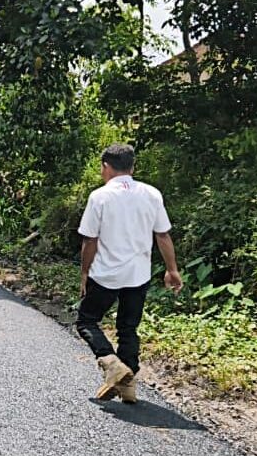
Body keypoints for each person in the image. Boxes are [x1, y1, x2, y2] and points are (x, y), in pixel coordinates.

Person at [76, 143, 183, 403]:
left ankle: (112, 364)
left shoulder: (99, 196)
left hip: (105, 275)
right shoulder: (151, 194)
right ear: (132, 167)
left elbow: (90, 241)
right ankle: (128, 386)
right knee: (128, 327)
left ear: (105, 167)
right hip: (138, 275)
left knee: (86, 321)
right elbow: (163, 234)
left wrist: (84, 273)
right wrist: (172, 270)